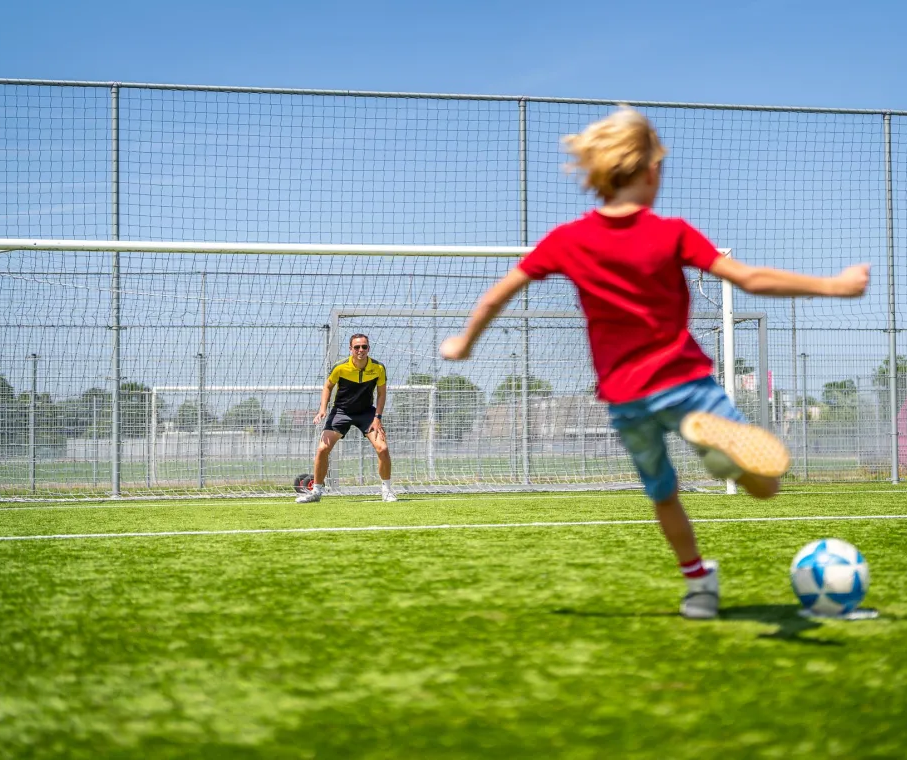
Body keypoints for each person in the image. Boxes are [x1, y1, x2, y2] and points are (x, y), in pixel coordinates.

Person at [439, 108, 869, 619]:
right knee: (767, 487)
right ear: (649, 172)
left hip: (626, 399)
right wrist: (834, 286)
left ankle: (699, 586)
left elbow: (497, 295)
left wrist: (464, 343)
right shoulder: (672, 233)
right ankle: (722, 451)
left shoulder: (567, 240)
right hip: (686, 384)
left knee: (664, 494)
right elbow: (750, 279)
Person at [296, 333, 397, 503]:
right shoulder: (340, 367)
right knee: (322, 449)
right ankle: (316, 492)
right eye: (357, 347)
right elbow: (328, 386)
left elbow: (381, 394)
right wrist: (322, 409)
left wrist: (377, 417)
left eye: (364, 346)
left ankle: (386, 491)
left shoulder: (378, 368)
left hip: (366, 413)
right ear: (350, 349)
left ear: (368, 349)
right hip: (341, 412)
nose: (360, 350)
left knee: (383, 448)